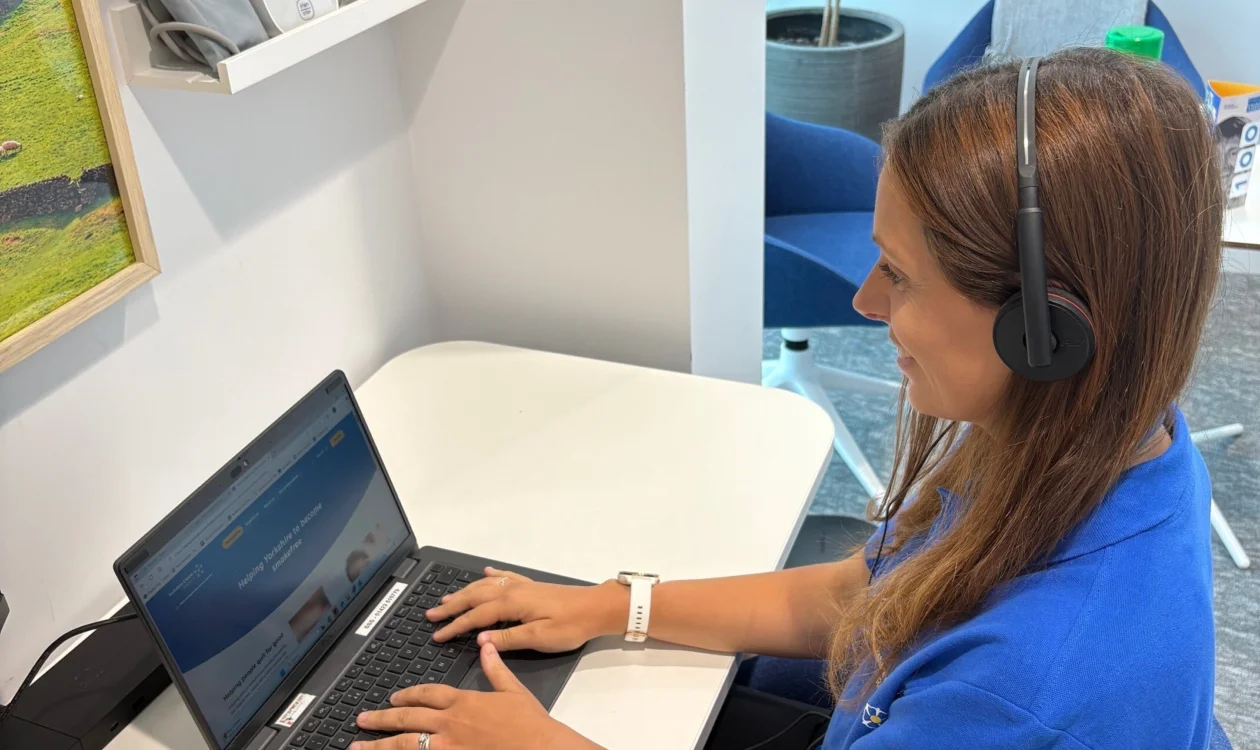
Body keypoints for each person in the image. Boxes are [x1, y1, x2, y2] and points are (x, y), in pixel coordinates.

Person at [349, 46, 1223, 750]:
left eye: (901, 276)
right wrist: (614, 605)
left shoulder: (1019, 694)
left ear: (1042, 334)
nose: (866, 303)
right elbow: (868, 597)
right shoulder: (1107, 437)